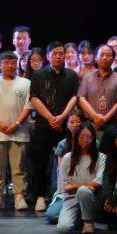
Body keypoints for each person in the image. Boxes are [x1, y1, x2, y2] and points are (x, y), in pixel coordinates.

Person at [27, 42, 80, 212]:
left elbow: (74, 97)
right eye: (54, 53)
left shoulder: (71, 75)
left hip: (64, 125)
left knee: (66, 161)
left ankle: (65, 194)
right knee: (40, 162)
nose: (58, 56)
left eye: (61, 53)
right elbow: (34, 98)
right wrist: (50, 118)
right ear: (48, 56)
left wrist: (62, 116)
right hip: (43, 124)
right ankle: (40, 196)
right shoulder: (38, 75)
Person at [77, 44, 117, 130]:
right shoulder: (87, 77)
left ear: (113, 59)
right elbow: (81, 99)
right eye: (101, 55)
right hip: (90, 125)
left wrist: (104, 119)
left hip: (112, 125)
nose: (105, 58)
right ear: (96, 58)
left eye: (108, 55)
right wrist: (95, 116)